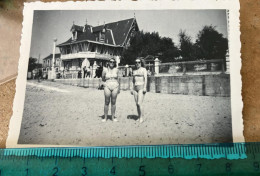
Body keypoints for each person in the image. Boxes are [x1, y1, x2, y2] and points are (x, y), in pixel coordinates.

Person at [102, 58, 120, 122]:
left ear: (114, 63)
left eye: (113, 62)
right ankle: (105, 117)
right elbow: (103, 78)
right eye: (110, 62)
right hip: (107, 85)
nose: (112, 63)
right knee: (106, 102)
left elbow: (118, 79)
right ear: (108, 62)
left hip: (115, 85)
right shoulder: (105, 70)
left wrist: (119, 88)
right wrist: (104, 84)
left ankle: (113, 117)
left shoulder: (116, 70)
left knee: (113, 102)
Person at [131, 58, 147, 123]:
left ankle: (142, 117)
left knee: (139, 103)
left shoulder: (144, 69)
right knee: (136, 104)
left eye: (139, 62)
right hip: (135, 88)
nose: (137, 64)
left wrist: (145, 87)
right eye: (136, 62)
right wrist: (131, 88)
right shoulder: (134, 71)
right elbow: (133, 80)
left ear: (141, 63)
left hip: (141, 87)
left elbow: (145, 79)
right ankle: (139, 116)